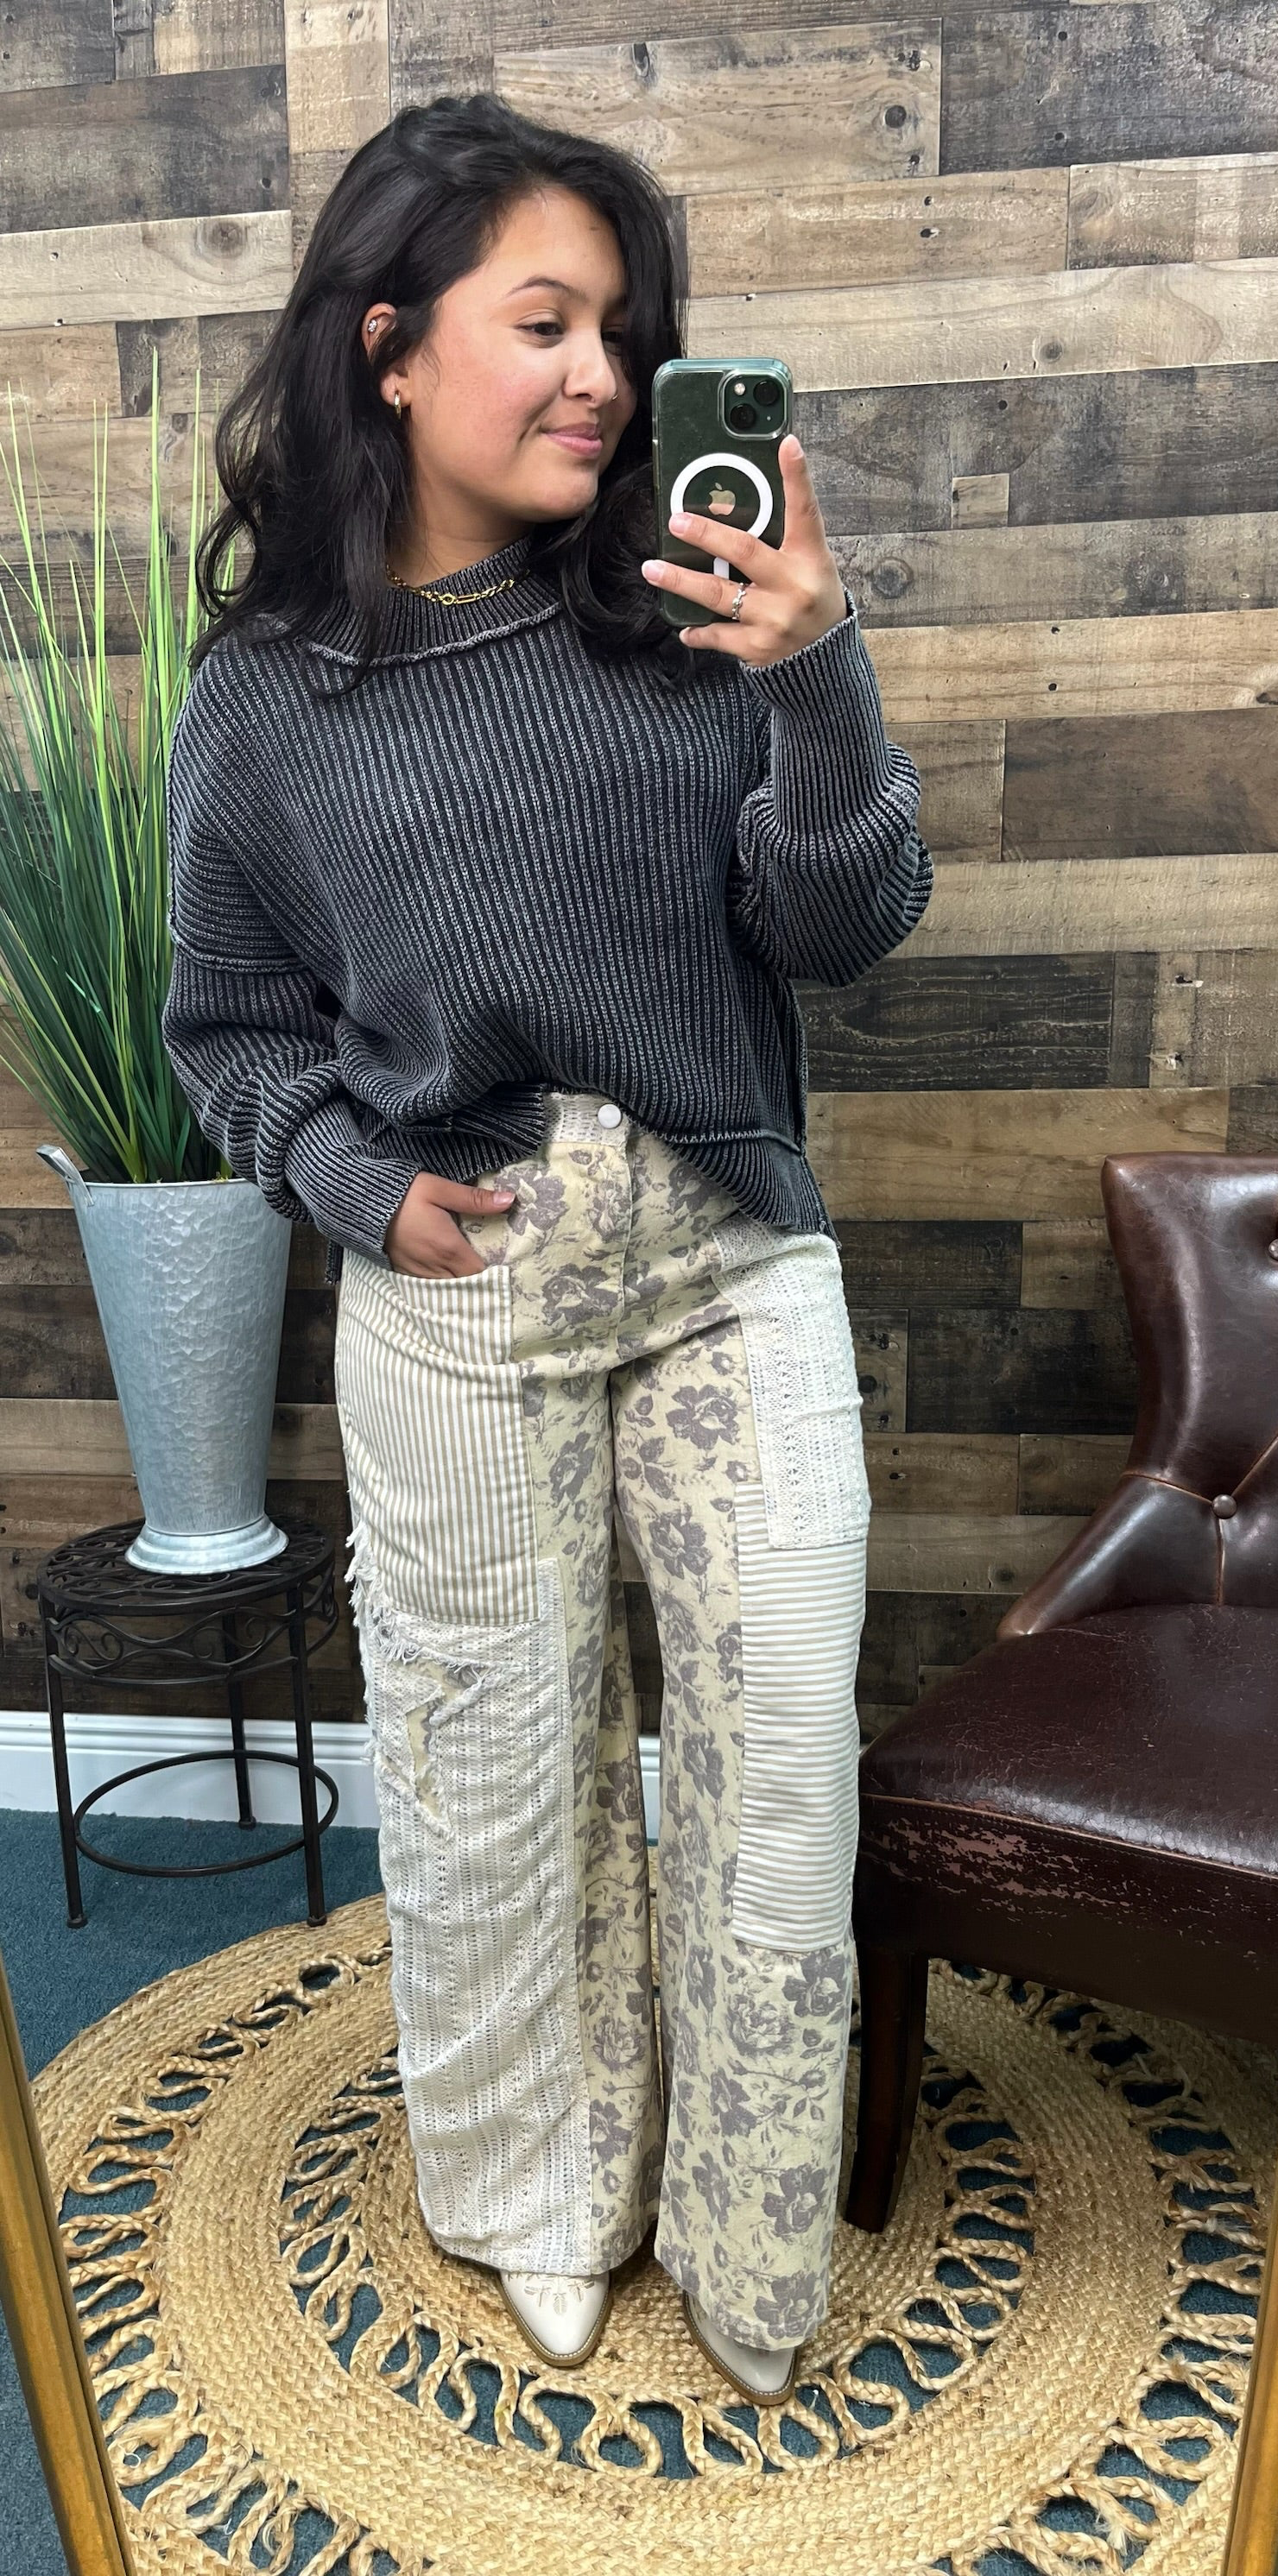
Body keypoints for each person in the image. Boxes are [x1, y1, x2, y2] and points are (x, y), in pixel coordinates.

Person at [161, 90, 933, 2406]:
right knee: (498, 1779)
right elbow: (228, 1020)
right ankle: (536, 2202)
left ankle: (748, 2242)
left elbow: (848, 924)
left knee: (775, 1781)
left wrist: (812, 664)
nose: (602, 373)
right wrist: (351, 1185)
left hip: (726, 1265)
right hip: (464, 1293)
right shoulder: (265, 698)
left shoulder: (691, 616)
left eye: (623, 329)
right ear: (390, 345)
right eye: (546, 321)